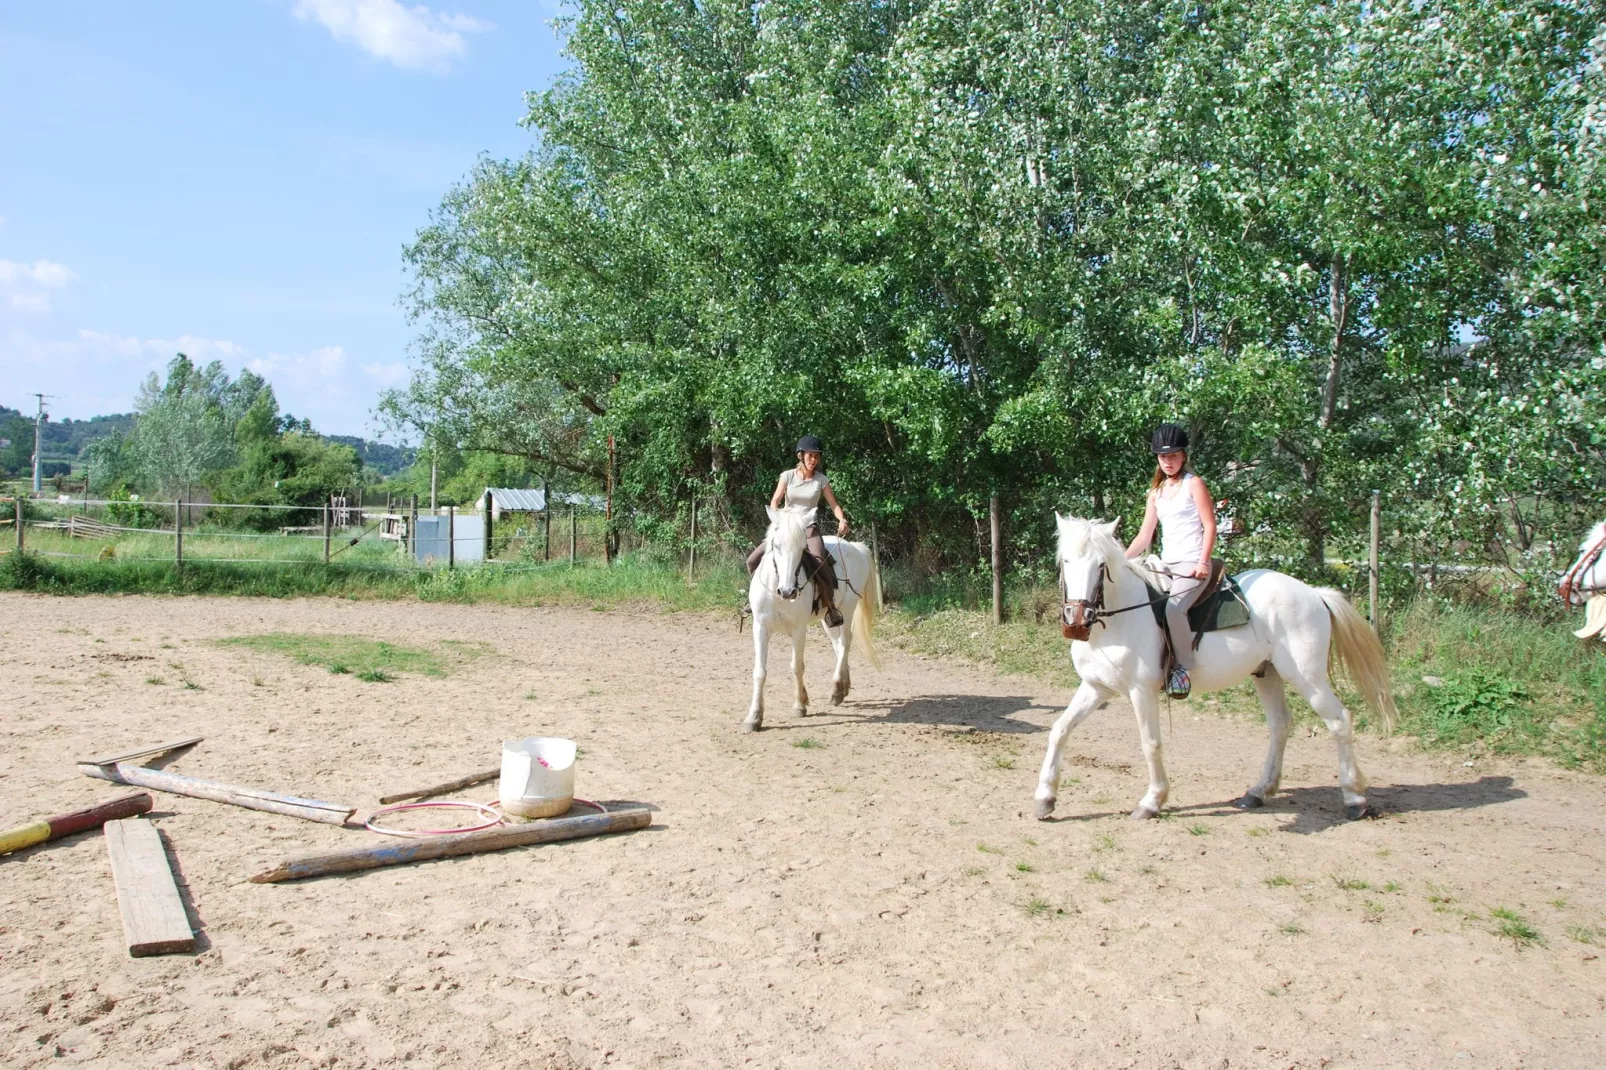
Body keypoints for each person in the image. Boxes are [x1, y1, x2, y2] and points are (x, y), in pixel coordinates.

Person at [1123, 423, 1217, 698]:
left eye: (1173, 455)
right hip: (1166, 564)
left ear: (1183, 455)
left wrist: (1203, 561)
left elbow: (1210, 525)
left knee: (1174, 610)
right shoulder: (1156, 493)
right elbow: (1144, 535)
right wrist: (1121, 560)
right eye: (1163, 456)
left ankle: (1184, 668)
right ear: (1157, 458)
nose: (1168, 461)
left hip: (1192, 564)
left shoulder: (1194, 484)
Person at [747, 435, 850, 627]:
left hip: (808, 528)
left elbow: (834, 505)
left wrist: (841, 519)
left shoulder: (821, 480)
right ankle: (752, 601)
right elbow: (775, 501)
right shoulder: (787, 476)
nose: (814, 460)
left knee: (821, 563)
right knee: (752, 559)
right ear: (800, 456)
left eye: (817, 457)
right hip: (787, 527)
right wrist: (779, 518)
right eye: (810, 456)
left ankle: (830, 606)